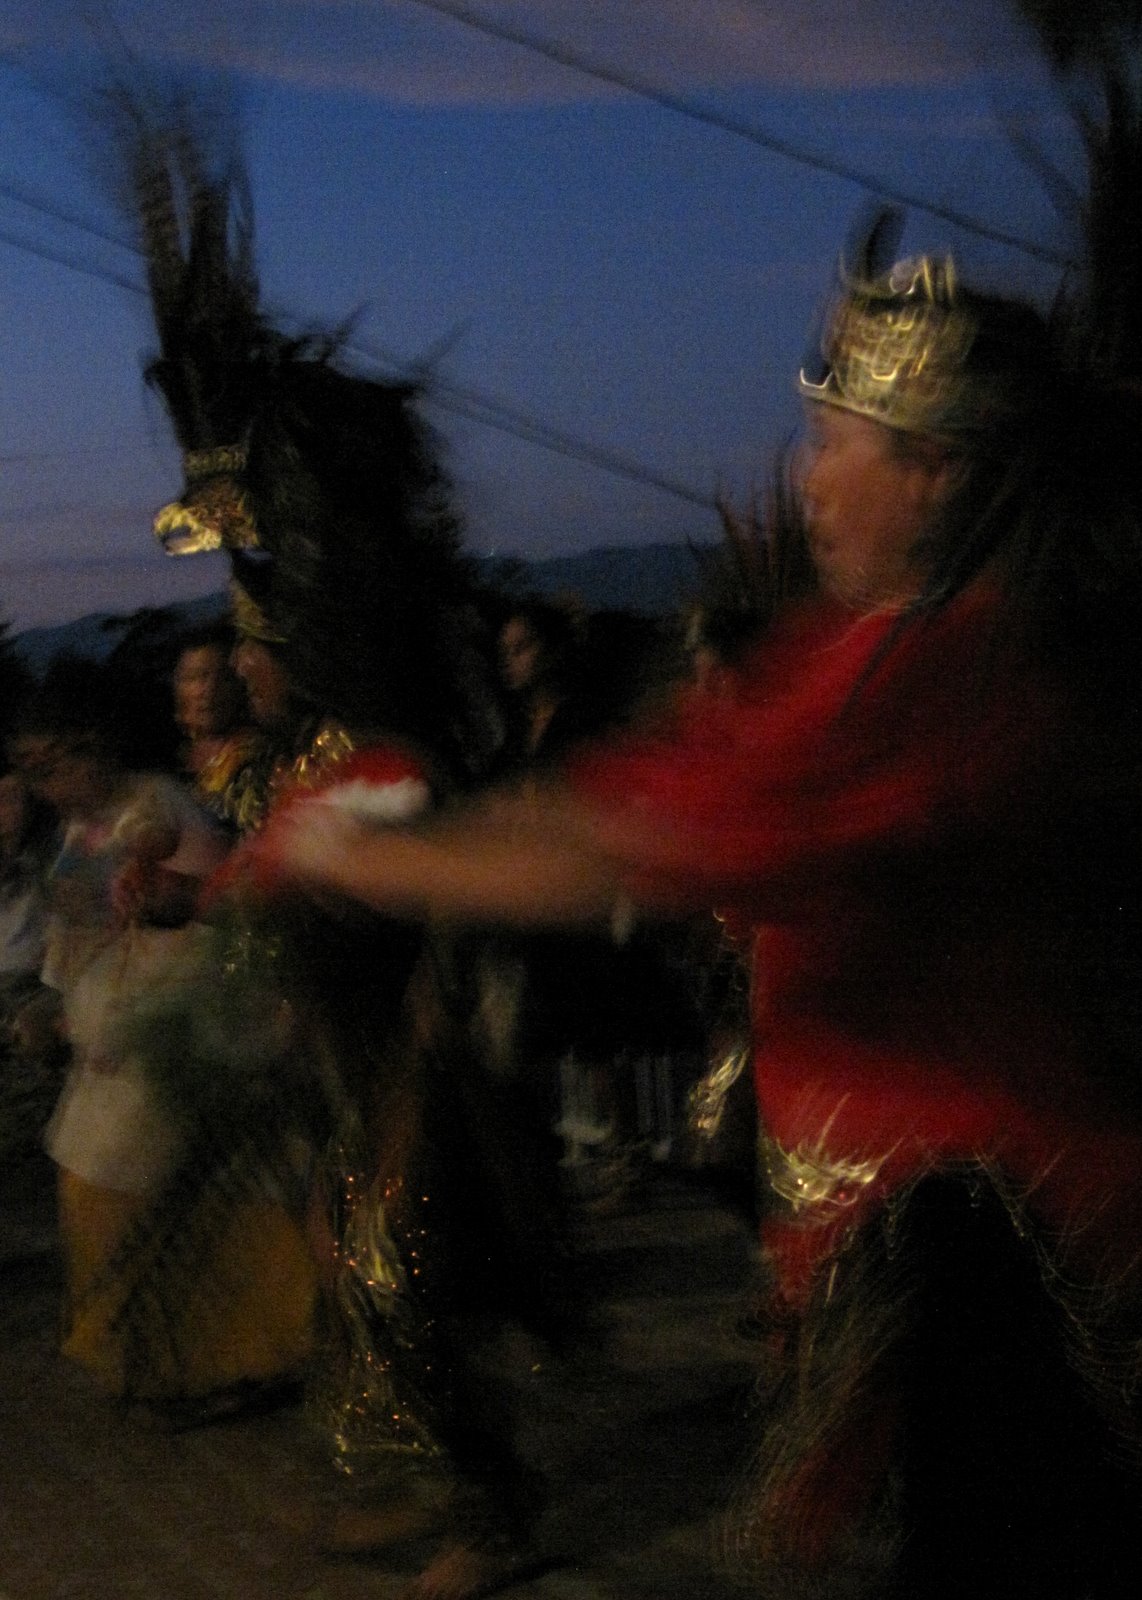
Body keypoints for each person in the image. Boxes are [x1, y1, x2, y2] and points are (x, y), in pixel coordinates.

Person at [251, 243, 1142, 1595]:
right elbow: (645, 789)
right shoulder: (884, 645)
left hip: (1011, 1249)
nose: (805, 477)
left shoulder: (958, 667)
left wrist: (365, 860)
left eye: (834, 439)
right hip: (941, 1237)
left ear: (938, 468)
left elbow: (632, 842)